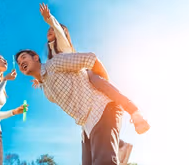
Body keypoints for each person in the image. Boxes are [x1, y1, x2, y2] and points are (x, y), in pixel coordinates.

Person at [15, 49, 147, 165]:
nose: (21, 63)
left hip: (101, 108)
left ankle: (127, 127)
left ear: (36, 57)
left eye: (23, 57)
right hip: (86, 127)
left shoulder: (55, 63)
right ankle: (119, 147)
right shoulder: (46, 91)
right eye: (19, 63)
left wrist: (105, 89)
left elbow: (91, 60)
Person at [36, 3, 149, 135]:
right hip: (80, 87)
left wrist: (49, 18)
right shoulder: (51, 57)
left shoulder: (62, 44)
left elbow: (59, 30)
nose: (50, 31)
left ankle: (134, 112)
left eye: (52, 29)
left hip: (87, 75)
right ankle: (120, 143)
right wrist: (39, 81)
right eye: (48, 30)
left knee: (104, 87)